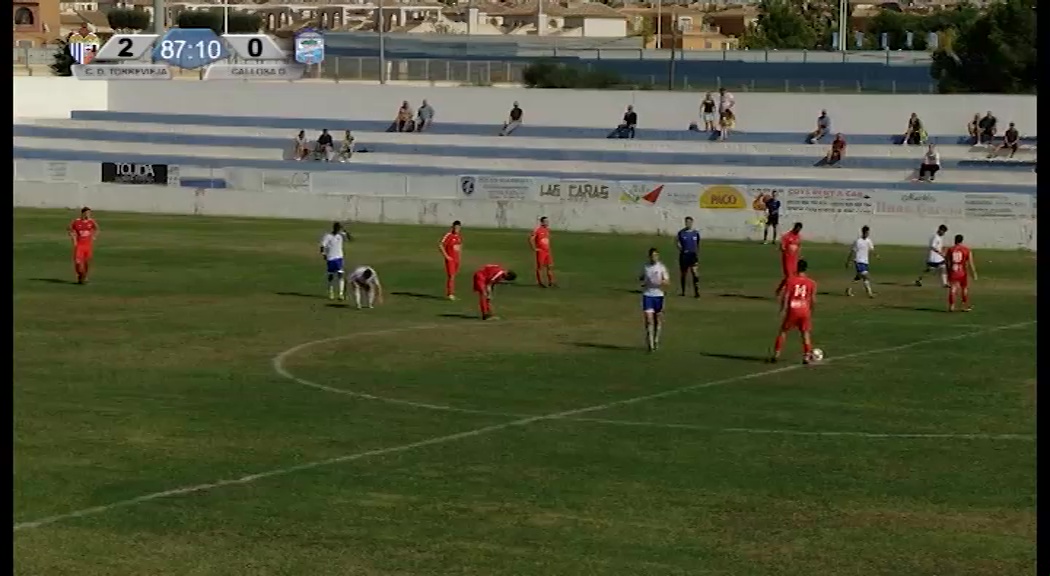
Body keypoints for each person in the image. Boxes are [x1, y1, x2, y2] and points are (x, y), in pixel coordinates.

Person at [770, 259, 818, 365]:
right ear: (806, 268)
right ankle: (806, 356)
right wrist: (812, 311)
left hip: (793, 309)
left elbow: (786, 296)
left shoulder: (791, 280)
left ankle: (776, 354)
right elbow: (813, 299)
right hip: (805, 310)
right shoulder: (811, 282)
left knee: (783, 331)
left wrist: (783, 309)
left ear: (797, 267)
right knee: (805, 334)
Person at [639, 248, 670, 352]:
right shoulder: (646, 267)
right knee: (649, 320)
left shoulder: (661, 267)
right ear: (649, 256)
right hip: (648, 295)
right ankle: (650, 344)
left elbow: (667, 281)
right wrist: (643, 280)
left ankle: (656, 340)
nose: (654, 257)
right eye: (652, 255)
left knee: (658, 320)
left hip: (659, 295)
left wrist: (661, 282)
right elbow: (642, 277)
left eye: (656, 255)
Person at [945, 234, 977, 312]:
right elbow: (970, 262)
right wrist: (974, 273)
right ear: (962, 240)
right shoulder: (966, 250)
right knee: (964, 288)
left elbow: (947, 261)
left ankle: (951, 306)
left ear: (955, 240)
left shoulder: (950, 249)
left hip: (953, 271)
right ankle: (964, 306)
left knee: (953, 288)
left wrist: (948, 270)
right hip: (962, 271)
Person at [67, 206, 98, 285]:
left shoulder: (91, 221)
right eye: (87, 213)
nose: (88, 214)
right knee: (78, 262)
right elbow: (69, 229)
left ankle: (84, 276)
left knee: (87, 262)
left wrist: (94, 236)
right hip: (79, 246)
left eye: (89, 213)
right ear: (83, 213)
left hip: (88, 246)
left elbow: (97, 228)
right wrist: (73, 238)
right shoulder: (76, 222)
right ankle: (80, 275)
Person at [319, 222, 348, 300]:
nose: (339, 229)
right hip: (331, 258)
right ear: (334, 228)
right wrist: (323, 254)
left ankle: (341, 294)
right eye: (338, 228)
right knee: (331, 276)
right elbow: (322, 246)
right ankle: (331, 292)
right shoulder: (328, 236)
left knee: (340, 275)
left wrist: (345, 231)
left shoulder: (341, 235)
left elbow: (350, 238)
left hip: (339, 258)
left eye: (339, 228)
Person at [845, 225, 875, 298]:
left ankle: (849, 289)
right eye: (866, 233)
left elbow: (871, 249)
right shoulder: (858, 241)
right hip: (858, 261)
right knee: (866, 276)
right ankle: (870, 293)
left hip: (865, 262)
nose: (867, 234)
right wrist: (848, 261)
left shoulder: (869, 241)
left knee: (859, 277)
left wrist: (876, 255)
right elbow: (852, 251)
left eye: (868, 233)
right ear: (863, 232)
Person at [775, 222, 804, 296]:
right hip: (787, 260)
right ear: (794, 227)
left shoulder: (798, 237)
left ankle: (779, 290)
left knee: (792, 277)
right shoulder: (786, 236)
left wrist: (799, 256)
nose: (798, 230)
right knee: (789, 277)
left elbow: (799, 247)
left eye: (799, 229)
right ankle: (789, 293)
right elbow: (782, 247)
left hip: (795, 260)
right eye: (797, 229)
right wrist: (783, 248)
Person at [675, 217, 701, 298]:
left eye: (690, 222)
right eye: (687, 222)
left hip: (693, 255)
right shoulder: (681, 233)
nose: (688, 224)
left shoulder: (695, 233)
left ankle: (697, 291)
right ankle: (683, 291)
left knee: (695, 273)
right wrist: (680, 248)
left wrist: (696, 252)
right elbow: (677, 242)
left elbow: (698, 243)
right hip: (684, 256)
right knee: (684, 274)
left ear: (692, 223)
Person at [439, 220, 463, 300]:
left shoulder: (459, 236)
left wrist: (459, 257)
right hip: (450, 260)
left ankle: (451, 293)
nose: (457, 229)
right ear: (452, 227)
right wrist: (446, 256)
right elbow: (440, 245)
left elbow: (459, 247)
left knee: (453, 276)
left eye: (458, 228)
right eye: (455, 227)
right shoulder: (448, 235)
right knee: (451, 276)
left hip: (457, 260)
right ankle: (450, 294)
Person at [529, 216, 556, 288]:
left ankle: (551, 282)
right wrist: (534, 248)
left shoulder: (547, 230)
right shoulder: (537, 230)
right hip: (541, 252)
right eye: (545, 221)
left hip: (548, 251)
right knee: (540, 267)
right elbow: (531, 239)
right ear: (542, 222)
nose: (547, 223)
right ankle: (540, 282)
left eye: (548, 221)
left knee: (549, 266)